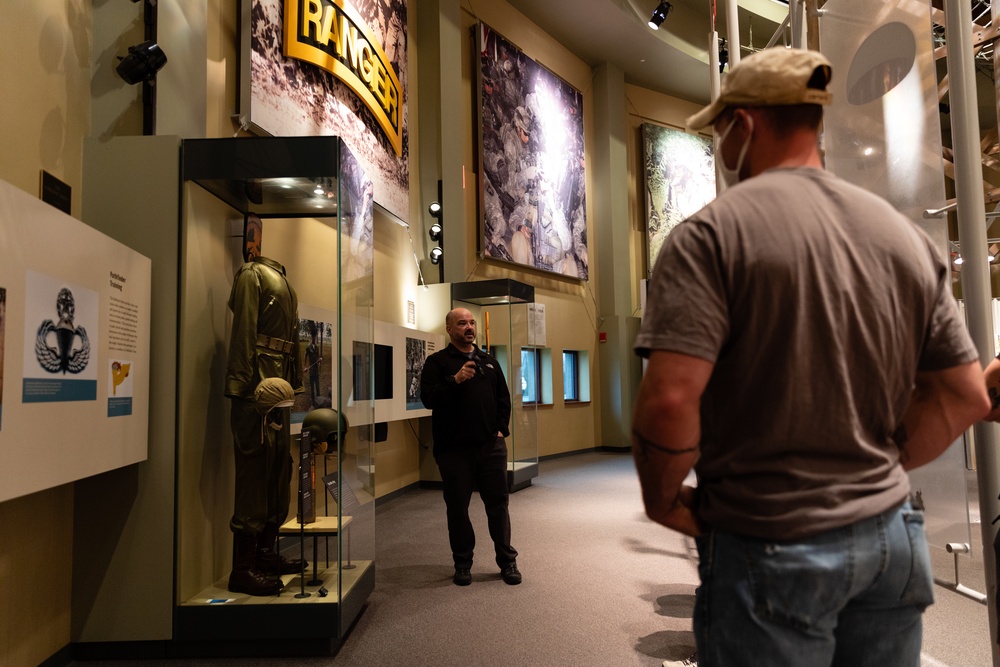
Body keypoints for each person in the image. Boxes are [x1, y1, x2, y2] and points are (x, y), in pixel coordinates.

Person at [631, 47, 990, 667]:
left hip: (769, 540)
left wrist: (661, 500)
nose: (720, 145)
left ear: (743, 124)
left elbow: (669, 399)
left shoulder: (710, 236)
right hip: (891, 537)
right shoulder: (904, 239)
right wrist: (875, 465)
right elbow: (963, 396)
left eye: (720, 130)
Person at [419, 307, 520, 586]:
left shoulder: (489, 361)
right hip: (454, 450)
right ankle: (462, 564)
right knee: (457, 508)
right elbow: (428, 398)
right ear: (449, 329)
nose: (469, 327)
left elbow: (504, 399)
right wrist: (455, 380)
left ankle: (507, 562)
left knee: (498, 506)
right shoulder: (437, 363)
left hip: (490, 447)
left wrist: (501, 430)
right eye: (462, 323)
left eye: (472, 323)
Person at [225, 255, 307, 595]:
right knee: (255, 470)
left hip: (277, 383)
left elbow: (293, 338)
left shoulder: (282, 280)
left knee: (277, 467)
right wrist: (240, 384)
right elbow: (243, 327)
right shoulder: (252, 274)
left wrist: (296, 382)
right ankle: (242, 569)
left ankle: (264, 552)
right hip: (256, 385)